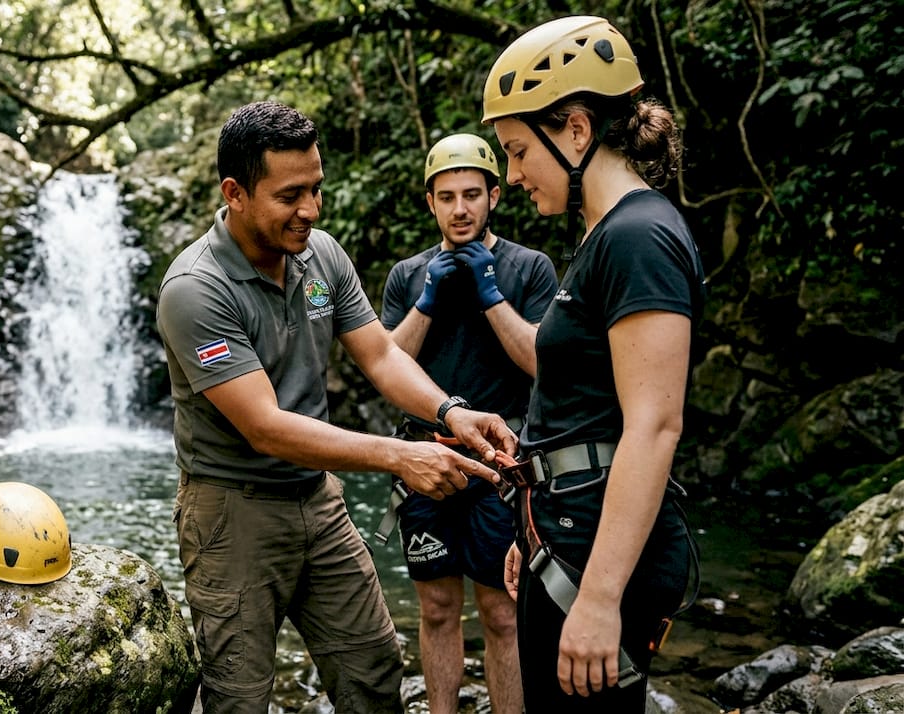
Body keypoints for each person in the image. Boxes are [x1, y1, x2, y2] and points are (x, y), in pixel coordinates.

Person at [155, 100, 518, 713]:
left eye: (317, 189)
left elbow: (380, 356)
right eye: (290, 195)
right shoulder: (195, 290)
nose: (311, 210)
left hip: (318, 500)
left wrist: (449, 412)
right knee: (239, 698)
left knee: (374, 670)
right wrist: (400, 457)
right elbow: (265, 427)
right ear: (235, 193)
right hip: (231, 513)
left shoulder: (320, 255)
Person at [481, 15, 704, 712]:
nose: (511, 176)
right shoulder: (607, 236)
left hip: (599, 564)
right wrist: (535, 527)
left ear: (576, 130)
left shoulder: (638, 237)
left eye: (518, 151)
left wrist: (601, 596)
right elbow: (584, 410)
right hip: (568, 537)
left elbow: (653, 428)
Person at [380, 132, 557, 714]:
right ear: (429, 202)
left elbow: (540, 362)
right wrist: (427, 298)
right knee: (434, 609)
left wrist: (488, 293)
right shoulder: (408, 275)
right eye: (447, 196)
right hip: (425, 459)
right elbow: (384, 362)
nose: (461, 209)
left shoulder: (529, 267)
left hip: (500, 466)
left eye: (472, 195)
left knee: (502, 611)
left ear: (495, 197)